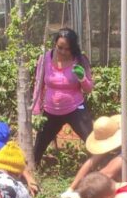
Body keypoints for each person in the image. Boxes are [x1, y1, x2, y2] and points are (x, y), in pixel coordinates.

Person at [31, 28, 94, 166]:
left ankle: (101, 168)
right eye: (60, 48)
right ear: (55, 44)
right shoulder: (45, 58)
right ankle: (32, 172)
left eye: (67, 49)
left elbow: (88, 89)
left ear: (73, 47)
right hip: (51, 110)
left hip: (75, 108)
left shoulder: (80, 60)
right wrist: (36, 109)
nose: (64, 52)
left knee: (92, 141)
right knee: (38, 147)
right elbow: (38, 84)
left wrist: (82, 78)